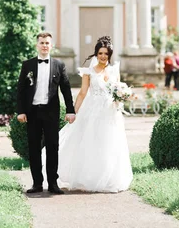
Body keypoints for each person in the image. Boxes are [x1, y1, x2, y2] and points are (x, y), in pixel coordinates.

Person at [55, 35, 133, 192]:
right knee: (92, 144)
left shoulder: (114, 70)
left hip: (111, 113)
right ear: (96, 54)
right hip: (93, 111)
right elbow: (83, 93)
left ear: (110, 55)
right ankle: (91, 178)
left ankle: (110, 179)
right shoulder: (88, 72)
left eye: (106, 54)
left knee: (110, 145)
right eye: (100, 53)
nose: (103, 56)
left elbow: (117, 88)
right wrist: (73, 111)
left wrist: (121, 97)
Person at [16, 32, 75, 195]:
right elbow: (20, 90)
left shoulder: (59, 65)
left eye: (47, 43)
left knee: (52, 147)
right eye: (41, 43)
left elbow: (66, 89)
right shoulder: (27, 65)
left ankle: (53, 183)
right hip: (32, 112)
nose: (44, 46)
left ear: (51, 45)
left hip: (51, 112)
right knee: (34, 147)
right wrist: (20, 111)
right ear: (37, 45)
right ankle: (36, 183)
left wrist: (70, 110)